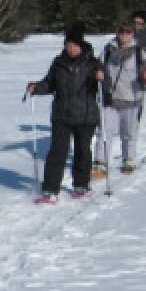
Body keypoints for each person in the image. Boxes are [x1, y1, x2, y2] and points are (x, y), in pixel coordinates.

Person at [25, 22, 105, 204]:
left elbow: (106, 87)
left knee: (82, 151)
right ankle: (50, 190)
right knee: (57, 152)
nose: (70, 48)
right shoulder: (58, 62)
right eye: (68, 44)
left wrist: (102, 78)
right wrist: (36, 87)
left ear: (81, 45)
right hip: (62, 114)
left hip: (86, 115)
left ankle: (81, 185)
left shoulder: (92, 63)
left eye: (74, 45)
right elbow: (50, 83)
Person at [95, 21, 146, 175]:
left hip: (131, 98)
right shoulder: (108, 49)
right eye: (121, 32)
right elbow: (98, 66)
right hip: (110, 97)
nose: (124, 35)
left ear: (132, 34)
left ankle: (128, 160)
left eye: (128, 32)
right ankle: (100, 162)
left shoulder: (139, 51)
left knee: (128, 132)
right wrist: (98, 73)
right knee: (104, 131)